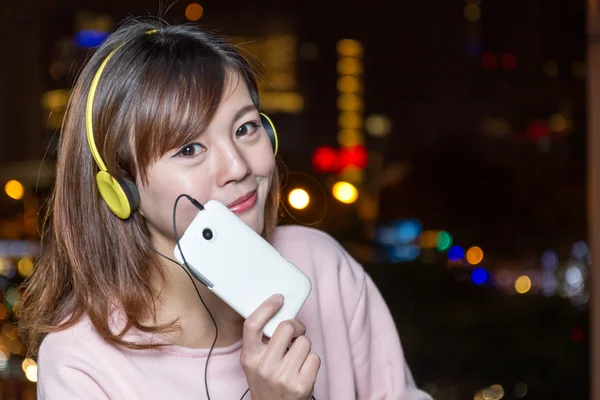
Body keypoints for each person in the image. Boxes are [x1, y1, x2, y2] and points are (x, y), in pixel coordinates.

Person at [18, 18, 432, 400]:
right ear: (120, 190)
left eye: (245, 128)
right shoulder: (81, 363)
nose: (238, 167)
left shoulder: (322, 266)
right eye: (190, 148)